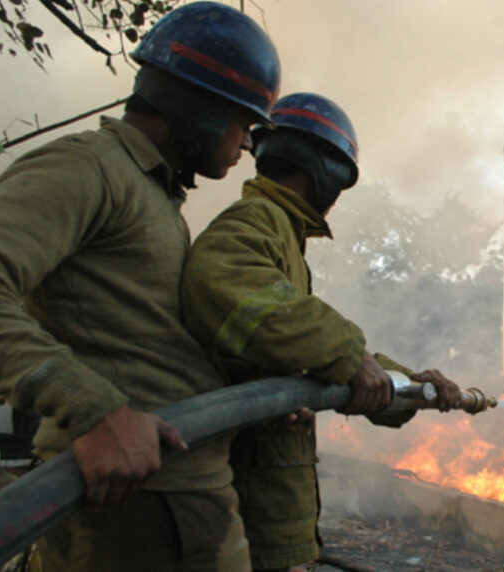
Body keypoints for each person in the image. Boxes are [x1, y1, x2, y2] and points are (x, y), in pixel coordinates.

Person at [0, 3, 281, 570]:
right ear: (197, 109)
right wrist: (96, 410)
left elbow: (149, 338)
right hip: (126, 501)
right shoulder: (87, 169)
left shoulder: (153, 195)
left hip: (181, 490)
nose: (246, 145)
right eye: (243, 123)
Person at [180, 92, 462, 572]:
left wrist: (411, 384)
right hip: (248, 511)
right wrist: (350, 355)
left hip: (267, 511)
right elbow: (223, 286)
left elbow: (305, 347)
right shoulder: (258, 221)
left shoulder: (282, 231)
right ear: (325, 172)